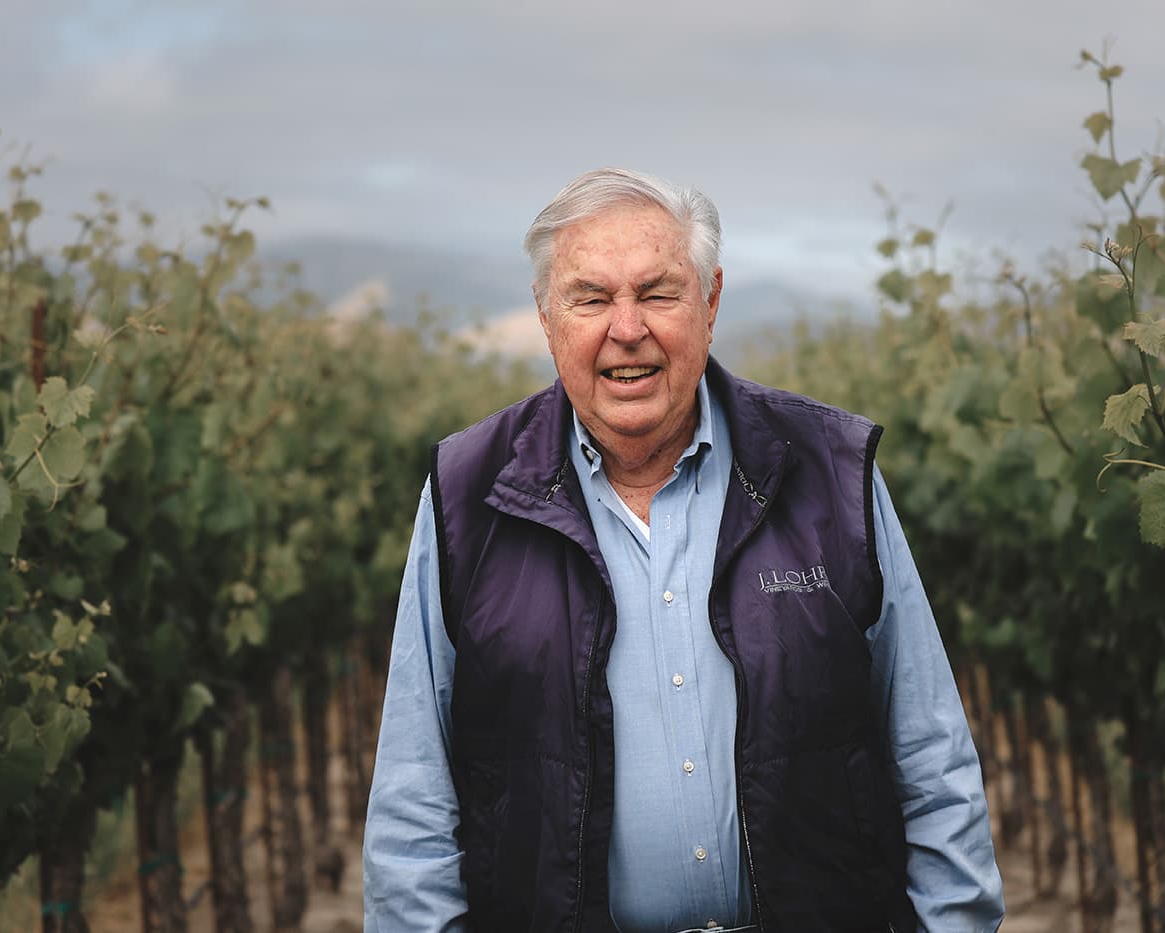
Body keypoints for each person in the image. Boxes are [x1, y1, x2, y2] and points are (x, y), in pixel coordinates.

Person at [363, 167, 1004, 932]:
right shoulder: (467, 493)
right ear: (546, 315)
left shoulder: (830, 470)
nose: (625, 328)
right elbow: (413, 800)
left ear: (711, 301)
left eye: (658, 293)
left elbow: (932, 758)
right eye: (591, 297)